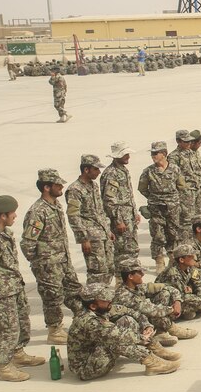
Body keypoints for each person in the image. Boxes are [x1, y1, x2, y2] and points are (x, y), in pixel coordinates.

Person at [0, 194, 47, 382]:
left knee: (20, 325)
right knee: (4, 330)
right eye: (12, 213)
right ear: (2, 216)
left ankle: (18, 354)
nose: (15, 216)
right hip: (1, 294)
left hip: (13, 288)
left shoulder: (5, 234)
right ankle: (5, 367)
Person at [21, 168, 83, 345]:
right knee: (53, 297)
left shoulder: (56, 206)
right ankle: (55, 330)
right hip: (48, 264)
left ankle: (82, 320)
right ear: (46, 187)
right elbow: (27, 243)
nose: (61, 186)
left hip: (63, 259)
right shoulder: (38, 211)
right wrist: (40, 262)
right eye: (57, 184)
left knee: (74, 290)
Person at [68, 282, 179, 379]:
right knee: (115, 340)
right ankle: (152, 362)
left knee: (128, 320)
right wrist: (142, 339)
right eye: (105, 300)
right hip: (87, 367)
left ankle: (155, 349)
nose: (110, 302)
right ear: (93, 306)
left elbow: (133, 313)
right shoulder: (88, 321)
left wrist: (146, 326)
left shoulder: (102, 308)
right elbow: (117, 336)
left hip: (96, 352)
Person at [138, 141, 187, 273]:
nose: (153, 156)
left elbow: (181, 186)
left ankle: (172, 259)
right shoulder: (148, 171)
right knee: (158, 236)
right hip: (156, 208)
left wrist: (174, 200)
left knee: (173, 234)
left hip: (172, 208)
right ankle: (159, 261)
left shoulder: (175, 169)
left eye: (156, 153)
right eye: (152, 153)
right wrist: (153, 198)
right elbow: (142, 188)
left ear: (164, 154)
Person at [65, 154, 115, 285]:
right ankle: (94, 300)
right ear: (86, 170)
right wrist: (83, 238)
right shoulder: (75, 190)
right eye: (96, 169)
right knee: (97, 272)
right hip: (91, 237)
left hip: (103, 234)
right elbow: (73, 215)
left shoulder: (94, 186)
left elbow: (99, 210)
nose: (99, 172)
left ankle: (104, 298)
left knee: (109, 268)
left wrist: (108, 230)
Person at [102, 142, 141, 273]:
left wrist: (134, 211)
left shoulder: (122, 170)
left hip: (128, 217)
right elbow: (109, 200)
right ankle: (121, 279)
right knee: (122, 251)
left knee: (131, 248)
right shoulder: (111, 173)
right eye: (124, 154)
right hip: (121, 219)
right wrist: (118, 220)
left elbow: (128, 194)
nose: (128, 156)